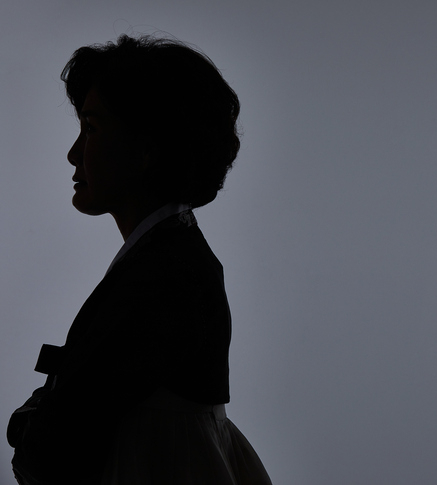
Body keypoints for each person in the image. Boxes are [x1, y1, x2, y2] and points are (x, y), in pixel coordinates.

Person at [6, 35, 272, 485]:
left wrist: (28, 423)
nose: (73, 153)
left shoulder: (164, 276)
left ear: (147, 150)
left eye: (91, 129)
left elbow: (56, 447)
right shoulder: (172, 260)